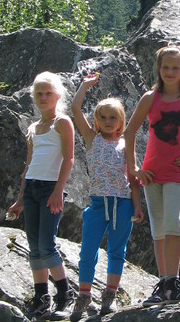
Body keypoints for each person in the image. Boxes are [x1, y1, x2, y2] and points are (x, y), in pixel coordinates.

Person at [124, 44, 180, 306]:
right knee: (159, 230)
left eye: (176, 67)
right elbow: (129, 133)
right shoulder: (150, 98)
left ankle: (174, 281)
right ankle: (164, 284)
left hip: (177, 172)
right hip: (152, 173)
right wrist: (135, 169)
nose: (170, 72)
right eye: (165, 67)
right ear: (159, 69)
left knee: (174, 223)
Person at [69, 73, 144, 321]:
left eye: (113, 117)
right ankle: (84, 294)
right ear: (96, 121)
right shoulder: (92, 138)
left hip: (122, 204)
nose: (108, 121)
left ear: (121, 120)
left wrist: (137, 206)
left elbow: (133, 179)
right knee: (88, 250)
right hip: (98, 204)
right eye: (103, 117)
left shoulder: (126, 144)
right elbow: (75, 108)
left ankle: (109, 295)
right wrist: (85, 86)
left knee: (116, 251)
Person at [7, 72, 77, 320]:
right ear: (34, 97)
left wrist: (59, 190)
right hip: (32, 190)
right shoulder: (33, 128)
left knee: (47, 245)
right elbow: (29, 164)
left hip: (50, 190)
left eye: (48, 93)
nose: (44, 97)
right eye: (39, 93)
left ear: (58, 95)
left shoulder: (62, 123)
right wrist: (20, 199)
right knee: (34, 248)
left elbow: (69, 158)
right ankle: (41, 297)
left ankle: (66, 294)